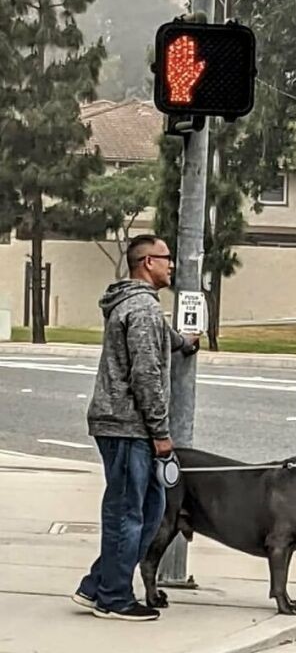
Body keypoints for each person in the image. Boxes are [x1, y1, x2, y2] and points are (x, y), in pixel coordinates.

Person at [72, 234, 198, 622]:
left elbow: (155, 341)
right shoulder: (142, 309)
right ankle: (113, 597)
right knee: (129, 512)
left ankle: (97, 585)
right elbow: (146, 374)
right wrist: (161, 433)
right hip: (129, 427)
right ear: (147, 263)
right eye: (166, 258)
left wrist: (183, 342)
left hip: (126, 425)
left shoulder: (136, 306)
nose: (172, 264)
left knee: (149, 507)